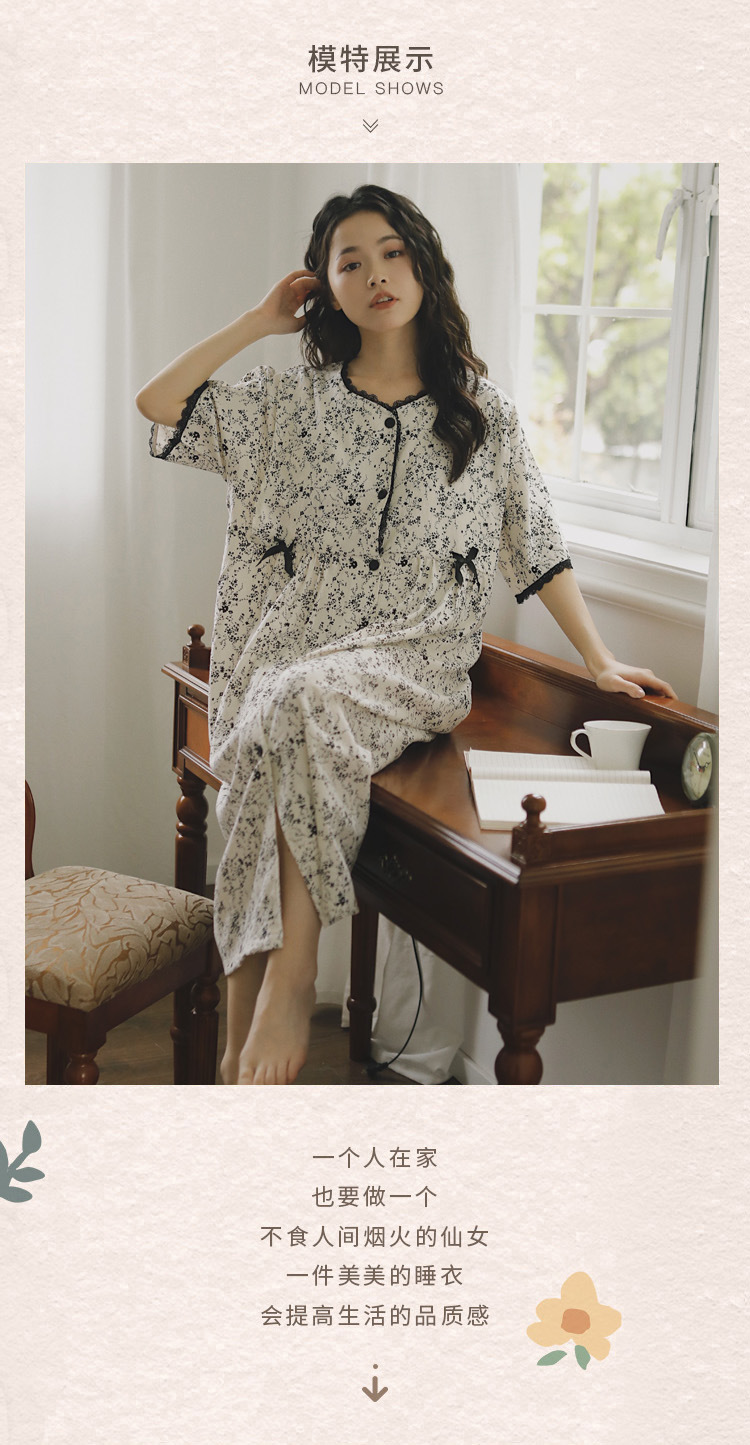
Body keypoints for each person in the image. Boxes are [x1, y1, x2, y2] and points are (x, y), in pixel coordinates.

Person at [136, 183, 676, 1087]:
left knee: (289, 704)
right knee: (270, 729)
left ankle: (292, 975)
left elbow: (536, 545)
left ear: (423, 264)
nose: (377, 274)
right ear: (326, 289)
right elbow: (159, 403)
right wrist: (258, 322)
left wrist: (600, 658)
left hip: (417, 657)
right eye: (351, 262)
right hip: (295, 650)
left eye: (392, 252)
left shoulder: (480, 414)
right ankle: (237, 1043)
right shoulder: (289, 405)